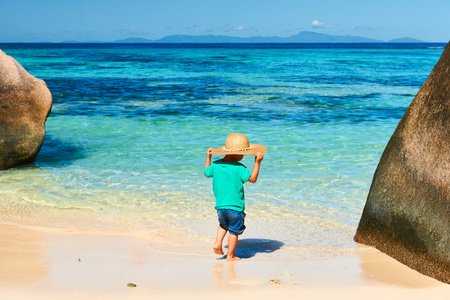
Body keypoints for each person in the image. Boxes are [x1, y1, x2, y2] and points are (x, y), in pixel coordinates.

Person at [204, 133, 266, 261]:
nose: (243, 156)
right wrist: (257, 162)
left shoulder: (215, 165)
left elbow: (206, 172)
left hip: (220, 206)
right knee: (234, 231)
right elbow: (253, 179)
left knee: (223, 225)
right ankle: (230, 256)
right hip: (235, 207)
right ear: (237, 153)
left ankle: (217, 242)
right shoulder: (240, 168)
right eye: (243, 153)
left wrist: (208, 157)